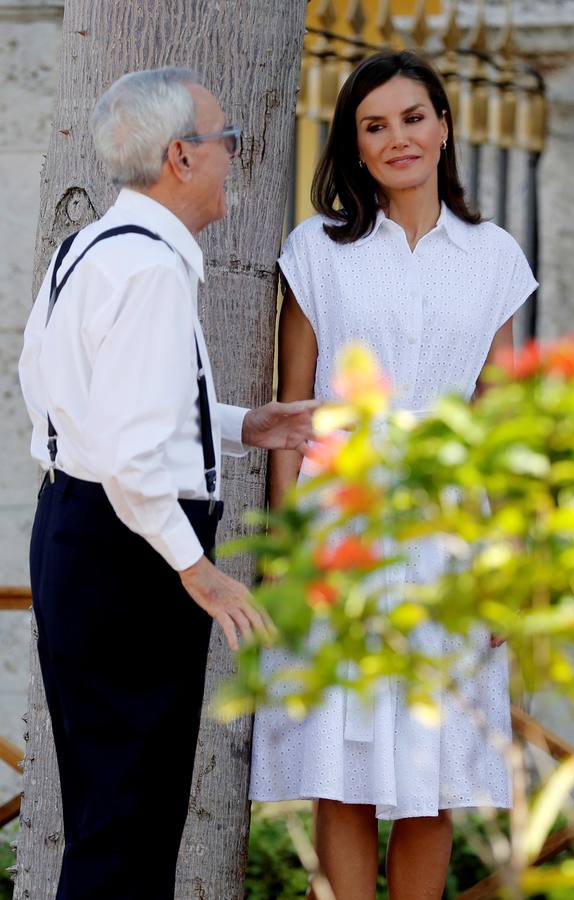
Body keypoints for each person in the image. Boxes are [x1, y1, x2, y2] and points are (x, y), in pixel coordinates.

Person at [19, 67, 316, 900]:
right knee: (131, 826)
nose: (236, 158)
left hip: (81, 533)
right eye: (229, 142)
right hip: (129, 553)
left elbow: (67, 397)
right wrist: (198, 569)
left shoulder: (95, 245)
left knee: (110, 816)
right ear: (182, 156)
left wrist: (243, 425)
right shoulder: (150, 268)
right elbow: (131, 456)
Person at [250, 50, 538, 900]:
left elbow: (498, 417)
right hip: (341, 523)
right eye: (374, 126)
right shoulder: (317, 251)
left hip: (449, 528)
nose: (398, 138)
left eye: (413, 118)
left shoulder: (492, 255)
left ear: (444, 127)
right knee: (342, 762)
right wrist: (286, 555)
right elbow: (290, 412)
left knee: (431, 763)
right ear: (355, 146)